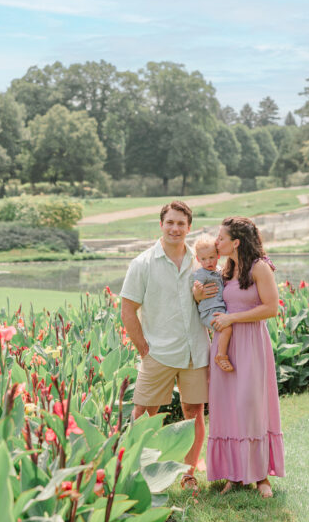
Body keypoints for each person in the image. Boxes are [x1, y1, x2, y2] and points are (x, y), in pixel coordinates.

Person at [120, 201, 210, 490]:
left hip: (195, 351)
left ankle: (188, 475)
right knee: (143, 414)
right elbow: (127, 310)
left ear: (189, 228)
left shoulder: (200, 263)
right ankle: (134, 473)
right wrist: (143, 348)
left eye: (181, 224)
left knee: (193, 413)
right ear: (161, 224)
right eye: (170, 222)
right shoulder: (143, 264)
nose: (175, 228)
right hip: (157, 353)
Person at [194, 216, 284, 497]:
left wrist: (234, 317)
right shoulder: (222, 270)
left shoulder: (260, 268)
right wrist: (199, 297)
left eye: (221, 238)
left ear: (236, 242)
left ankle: (260, 476)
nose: (216, 241)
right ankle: (233, 474)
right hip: (225, 344)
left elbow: (272, 308)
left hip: (251, 344)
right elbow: (211, 302)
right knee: (226, 407)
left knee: (250, 404)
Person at [192, 235, 233, 372]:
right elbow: (195, 287)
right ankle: (221, 356)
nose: (208, 261)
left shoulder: (219, 270)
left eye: (211, 257)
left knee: (229, 326)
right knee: (226, 328)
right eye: (203, 259)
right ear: (198, 259)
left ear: (218, 255)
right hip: (209, 312)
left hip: (219, 310)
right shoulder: (201, 274)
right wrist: (197, 290)